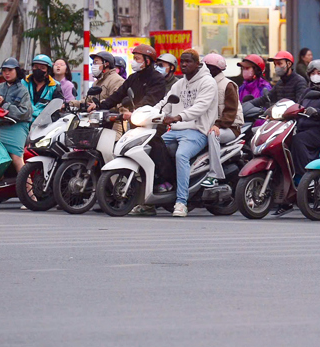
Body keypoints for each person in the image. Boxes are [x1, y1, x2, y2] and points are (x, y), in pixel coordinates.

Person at [154, 50, 218, 217]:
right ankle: (151, 197)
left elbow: (200, 107)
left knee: (181, 155)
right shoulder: (178, 84)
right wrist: (147, 113)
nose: (184, 64)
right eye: (182, 61)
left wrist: (178, 117)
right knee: (150, 147)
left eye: (188, 61)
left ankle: (181, 201)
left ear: (197, 64)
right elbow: (165, 103)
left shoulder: (207, 82)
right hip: (175, 130)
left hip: (197, 131)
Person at [278, 60, 320, 216]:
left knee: (299, 140)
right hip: (302, 128)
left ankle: (306, 176)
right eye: (313, 73)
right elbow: (297, 107)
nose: (316, 76)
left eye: (319, 73)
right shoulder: (307, 92)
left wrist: (317, 113)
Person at [201, 53, 244, 190]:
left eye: (208, 67)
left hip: (230, 128)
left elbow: (230, 112)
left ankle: (214, 175)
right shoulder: (204, 84)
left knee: (213, 135)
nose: (205, 69)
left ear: (216, 69)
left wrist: (218, 125)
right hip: (210, 125)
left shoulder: (227, 85)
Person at [93, 44, 166, 119]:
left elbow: (150, 99)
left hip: (152, 119)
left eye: (137, 59)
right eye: (134, 58)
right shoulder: (133, 78)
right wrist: (100, 106)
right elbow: (118, 95)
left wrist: (136, 111)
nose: (134, 61)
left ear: (147, 61)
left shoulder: (157, 79)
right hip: (134, 117)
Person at [0, 58, 33, 175]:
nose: (6, 73)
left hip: (17, 127)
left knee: (16, 158)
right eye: (4, 70)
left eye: (10, 70)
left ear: (17, 71)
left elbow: (24, 113)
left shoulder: (23, 90)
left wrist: (4, 104)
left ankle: (28, 192)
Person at [23, 54, 61, 120]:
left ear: (48, 70)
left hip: (44, 123)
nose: (38, 70)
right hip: (24, 121)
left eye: (43, 68)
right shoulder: (23, 82)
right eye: (36, 67)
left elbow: (56, 108)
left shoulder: (55, 86)